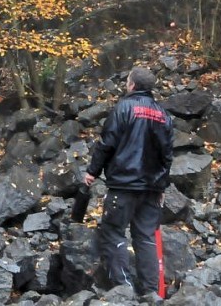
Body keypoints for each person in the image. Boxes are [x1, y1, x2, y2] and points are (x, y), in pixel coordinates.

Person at [84, 66, 174, 297]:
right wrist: (161, 185)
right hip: (151, 187)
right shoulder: (163, 114)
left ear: (132, 85)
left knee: (113, 232)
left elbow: (107, 143)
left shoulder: (124, 108)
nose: (126, 85)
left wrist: (92, 171)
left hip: (124, 184)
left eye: (127, 81)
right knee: (145, 238)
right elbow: (167, 154)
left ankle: (124, 291)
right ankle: (151, 293)